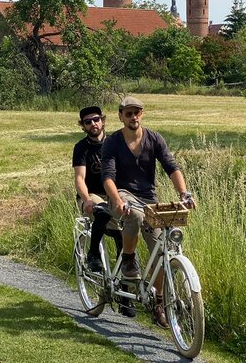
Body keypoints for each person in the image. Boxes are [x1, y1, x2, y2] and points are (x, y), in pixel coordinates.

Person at [101, 96, 195, 328]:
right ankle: (129, 261)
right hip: (122, 195)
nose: (133, 117)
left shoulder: (154, 138)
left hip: (149, 199)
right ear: (120, 116)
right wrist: (117, 201)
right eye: (128, 113)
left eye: (137, 112)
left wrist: (184, 194)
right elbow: (108, 178)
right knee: (135, 215)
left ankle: (159, 303)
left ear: (142, 113)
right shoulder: (113, 142)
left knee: (163, 249)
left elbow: (171, 167)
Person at [71, 106, 123, 273]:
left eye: (96, 119)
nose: (93, 124)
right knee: (103, 211)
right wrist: (86, 199)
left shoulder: (115, 143)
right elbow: (79, 178)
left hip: (113, 195)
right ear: (83, 125)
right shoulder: (81, 147)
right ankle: (93, 254)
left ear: (103, 121)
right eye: (88, 122)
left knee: (124, 237)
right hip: (91, 195)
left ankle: (122, 286)